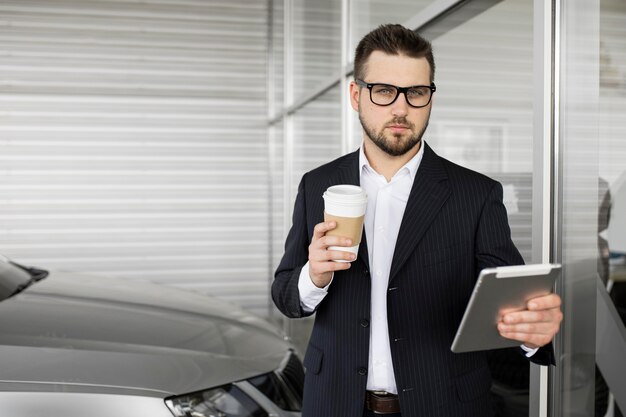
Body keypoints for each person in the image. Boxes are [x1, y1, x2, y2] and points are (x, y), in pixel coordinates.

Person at [271, 24, 563, 417]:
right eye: (384, 90)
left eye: (417, 93)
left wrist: (533, 333)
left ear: (430, 97)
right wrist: (314, 276)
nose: (400, 108)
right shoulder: (317, 185)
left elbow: (509, 307)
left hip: (445, 404)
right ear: (357, 95)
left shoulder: (476, 195)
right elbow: (286, 296)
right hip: (335, 402)